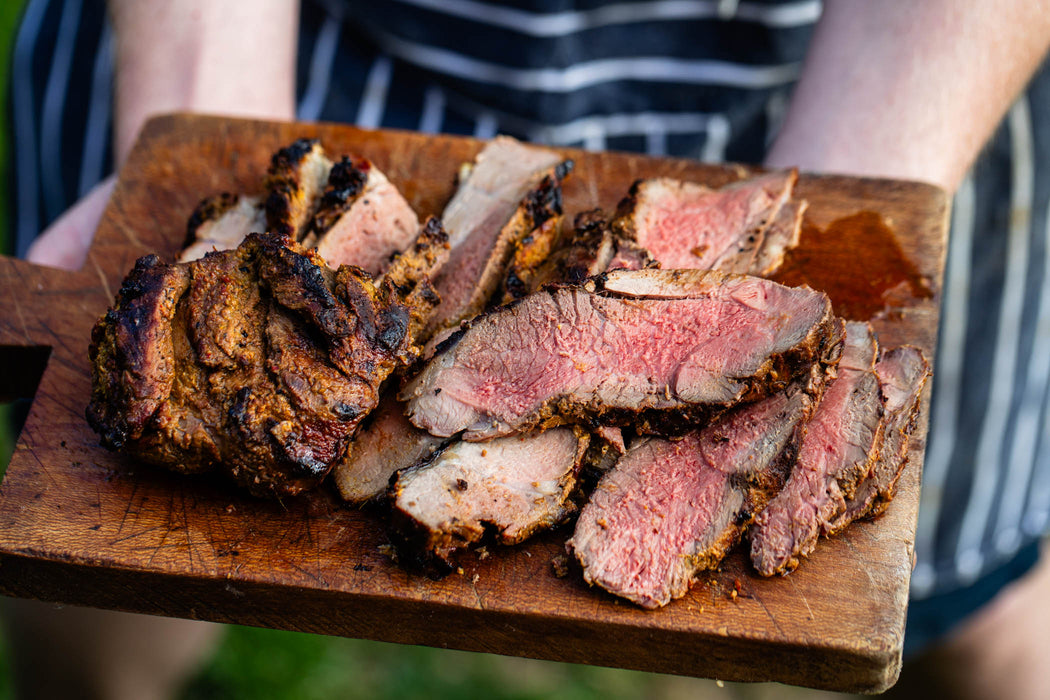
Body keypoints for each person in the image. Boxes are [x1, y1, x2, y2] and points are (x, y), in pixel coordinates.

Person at [8, 1, 1050, 698]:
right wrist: (195, 124)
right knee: (95, 607)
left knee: (978, 618)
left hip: (888, 64)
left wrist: (828, 232)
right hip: (308, 37)